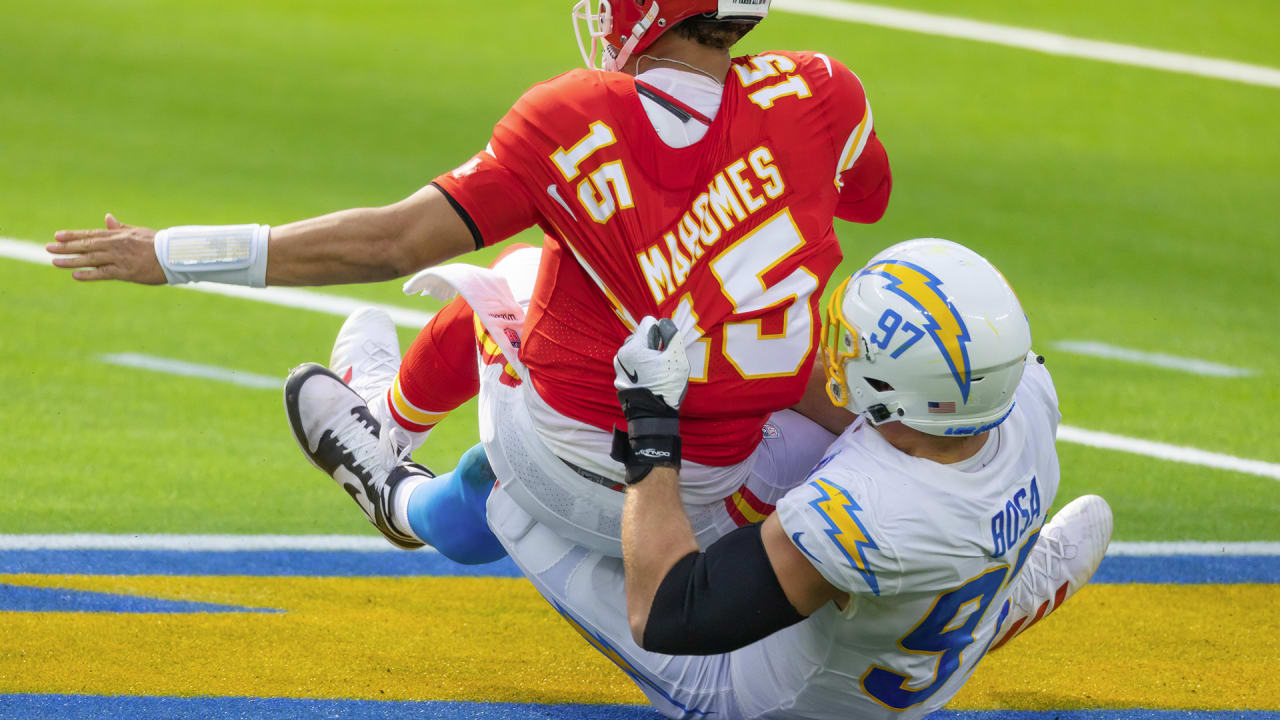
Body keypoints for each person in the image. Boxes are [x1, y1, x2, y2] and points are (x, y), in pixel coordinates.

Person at [53, 1, 892, 560]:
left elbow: (391, 243)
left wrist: (170, 252)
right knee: (757, 317)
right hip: (727, 493)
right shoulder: (824, 92)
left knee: (516, 273)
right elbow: (867, 198)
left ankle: (385, 428)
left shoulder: (576, 114)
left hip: (579, 461)